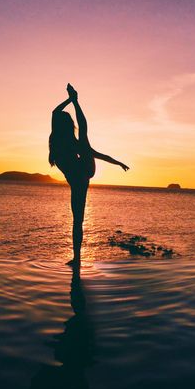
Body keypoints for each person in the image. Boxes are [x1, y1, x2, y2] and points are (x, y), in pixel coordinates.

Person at [49, 83, 129, 266]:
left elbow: (57, 115)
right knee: (77, 221)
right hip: (81, 179)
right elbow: (55, 113)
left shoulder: (67, 143)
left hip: (83, 174)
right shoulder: (63, 140)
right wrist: (72, 100)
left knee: (84, 136)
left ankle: (77, 259)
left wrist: (73, 101)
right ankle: (76, 259)